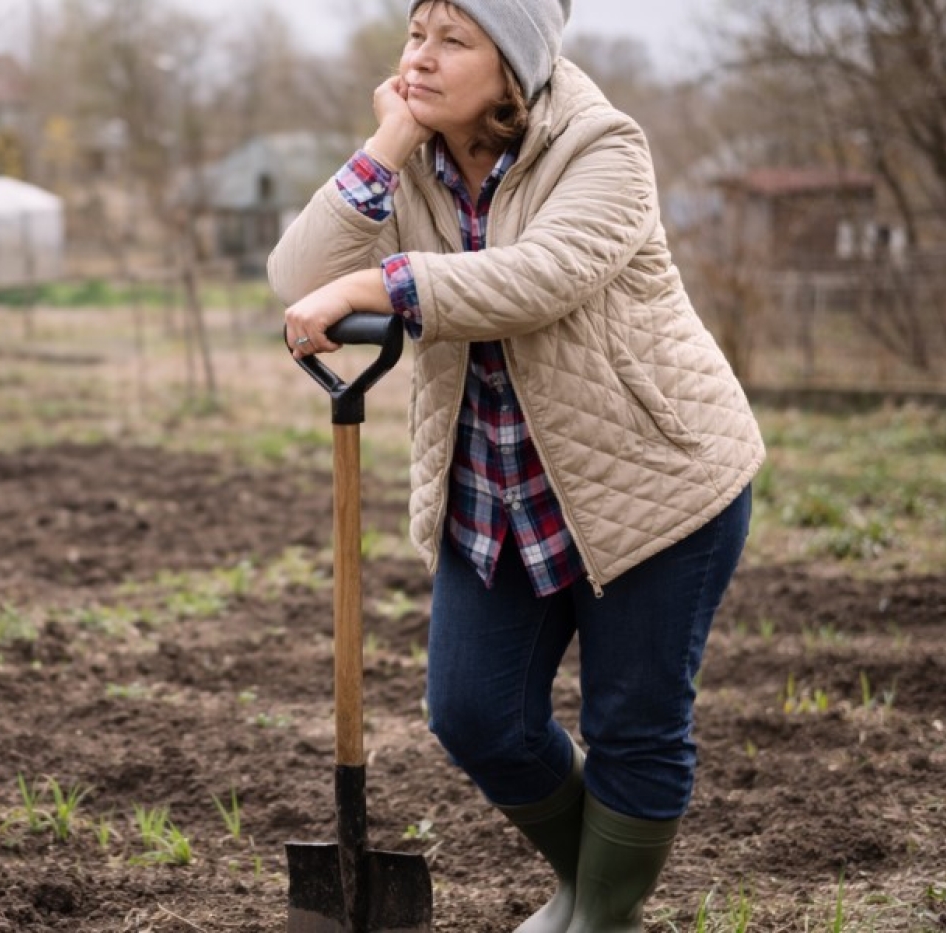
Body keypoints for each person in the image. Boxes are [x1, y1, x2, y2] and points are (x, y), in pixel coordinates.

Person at [268, 1, 765, 930]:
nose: (421, 56)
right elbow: (297, 274)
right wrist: (386, 142)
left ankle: (598, 914)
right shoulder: (413, 158)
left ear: (514, 68)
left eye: (453, 41)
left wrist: (383, 283)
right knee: (474, 714)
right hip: (495, 490)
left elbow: (540, 276)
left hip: (654, 483)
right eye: (416, 35)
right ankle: (591, 889)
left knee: (633, 725)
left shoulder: (604, 147)